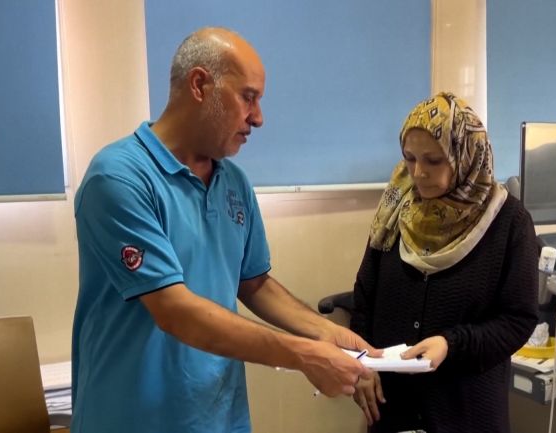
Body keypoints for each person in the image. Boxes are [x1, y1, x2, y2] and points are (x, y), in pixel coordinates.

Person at [71, 27, 378, 433]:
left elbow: (254, 284)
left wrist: (327, 334)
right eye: (247, 97)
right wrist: (303, 354)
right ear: (200, 85)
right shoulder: (119, 178)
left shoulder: (233, 182)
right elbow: (174, 310)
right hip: (134, 416)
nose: (259, 117)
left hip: (218, 417)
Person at [350, 92, 539, 433]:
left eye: (434, 160)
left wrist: (451, 345)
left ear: (466, 156)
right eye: (409, 158)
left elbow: (518, 320)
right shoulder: (395, 207)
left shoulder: (508, 221)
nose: (418, 173)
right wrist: (361, 365)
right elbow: (365, 293)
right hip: (392, 408)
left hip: (466, 410)